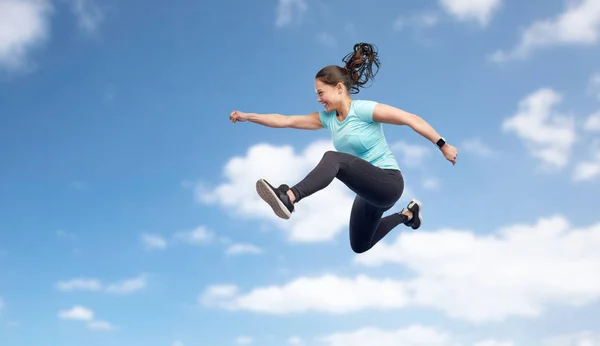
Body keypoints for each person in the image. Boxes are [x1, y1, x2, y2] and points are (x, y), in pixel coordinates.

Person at [229, 42, 458, 254]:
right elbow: (286, 120)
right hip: (368, 192)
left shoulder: (363, 110)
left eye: (321, 93)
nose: (318, 99)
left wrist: (442, 144)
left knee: (334, 158)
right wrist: (248, 116)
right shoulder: (328, 119)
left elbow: (410, 118)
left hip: (388, 182)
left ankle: (289, 197)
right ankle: (407, 215)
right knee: (360, 245)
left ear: (338, 88)